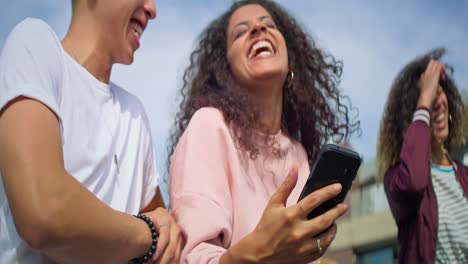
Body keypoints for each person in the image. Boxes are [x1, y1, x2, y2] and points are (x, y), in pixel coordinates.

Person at [168, 0, 359, 263]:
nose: (258, 29)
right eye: (241, 31)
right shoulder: (210, 126)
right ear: (225, 68)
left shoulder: (297, 152)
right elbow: (193, 257)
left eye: (269, 25)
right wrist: (263, 253)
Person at [0, 0, 182, 263]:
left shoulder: (134, 112)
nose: (152, 9)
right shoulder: (34, 45)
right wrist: (149, 234)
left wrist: (161, 227)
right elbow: (45, 212)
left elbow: (168, 236)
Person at [377, 48, 468, 263]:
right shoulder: (397, 178)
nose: (436, 102)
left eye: (439, 91)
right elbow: (415, 182)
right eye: (426, 96)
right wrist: (425, 99)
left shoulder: (464, 175)